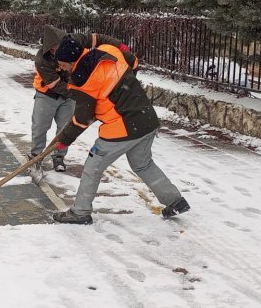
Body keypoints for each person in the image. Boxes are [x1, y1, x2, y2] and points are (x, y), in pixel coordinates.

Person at [50, 35, 190, 224]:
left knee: (93, 166)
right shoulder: (110, 52)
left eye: (62, 64)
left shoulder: (81, 80)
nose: (61, 68)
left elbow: (83, 118)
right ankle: (175, 201)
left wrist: (64, 141)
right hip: (146, 119)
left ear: (72, 60)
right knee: (142, 164)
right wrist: (123, 92)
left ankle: (80, 212)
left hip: (123, 127)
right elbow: (133, 63)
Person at [31, 25, 127, 172]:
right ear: (50, 48)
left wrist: (118, 45)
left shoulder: (74, 41)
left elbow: (97, 38)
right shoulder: (42, 59)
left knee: (64, 128)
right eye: (56, 47)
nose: (61, 48)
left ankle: (59, 157)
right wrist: (82, 95)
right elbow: (54, 85)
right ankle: (36, 157)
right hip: (47, 95)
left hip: (70, 96)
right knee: (40, 127)